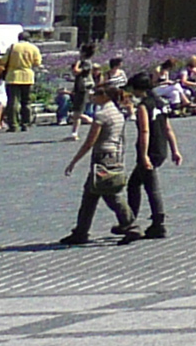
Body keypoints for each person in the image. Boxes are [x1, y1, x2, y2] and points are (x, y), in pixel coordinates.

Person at [59, 77, 137, 245]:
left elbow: (90, 141)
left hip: (102, 157)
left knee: (109, 194)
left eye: (95, 94)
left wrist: (74, 161)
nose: (92, 97)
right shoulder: (117, 113)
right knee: (92, 194)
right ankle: (81, 231)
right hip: (115, 154)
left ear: (104, 97)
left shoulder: (101, 115)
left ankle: (130, 225)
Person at [123, 69, 178, 241]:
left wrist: (144, 155)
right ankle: (137, 220)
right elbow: (168, 128)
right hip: (161, 149)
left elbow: (145, 131)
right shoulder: (160, 103)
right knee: (137, 183)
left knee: (147, 186)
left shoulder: (143, 106)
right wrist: (175, 150)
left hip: (150, 150)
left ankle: (149, 222)